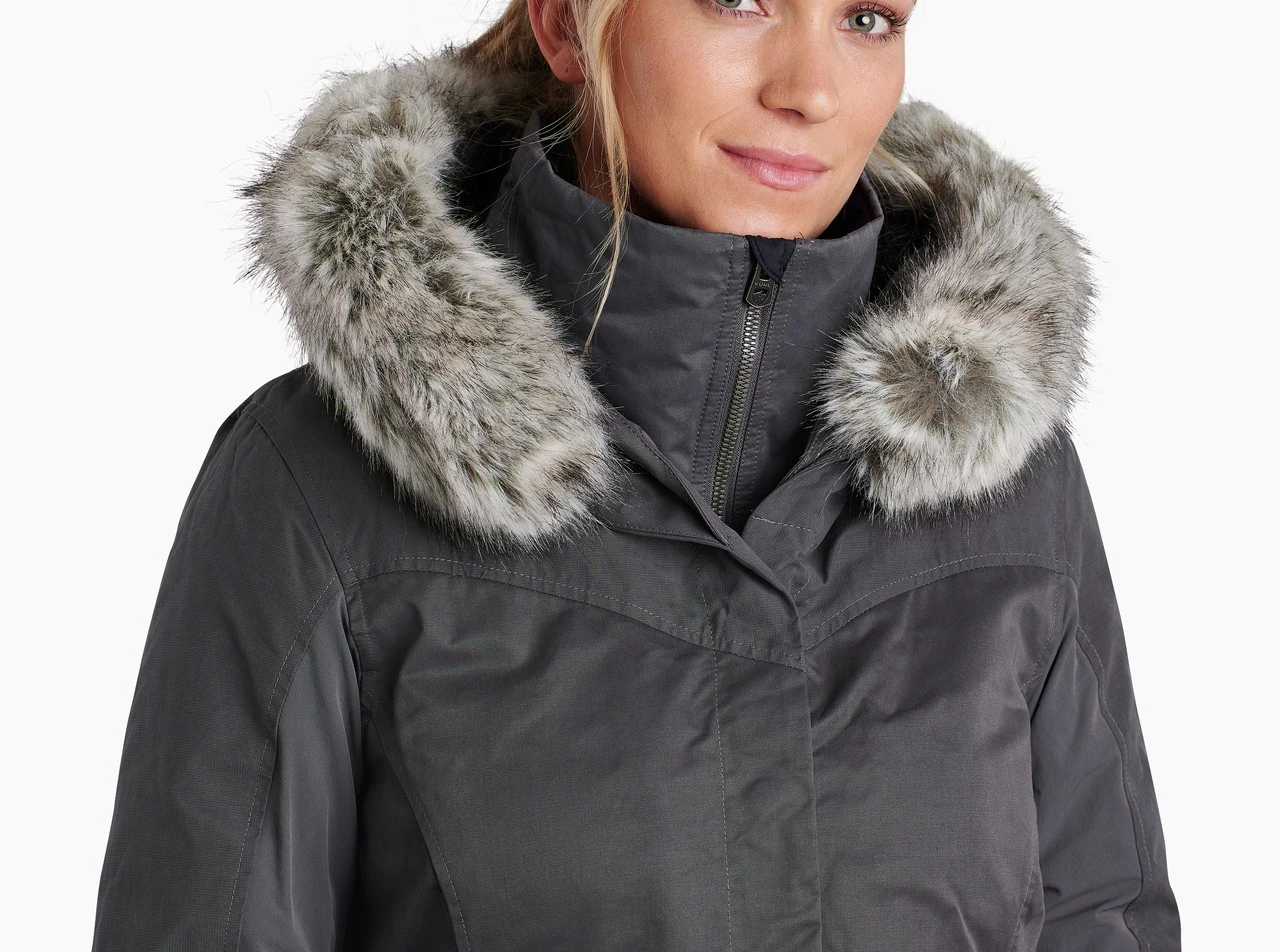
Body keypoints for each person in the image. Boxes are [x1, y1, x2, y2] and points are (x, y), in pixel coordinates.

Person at [90, 0, 1182, 949]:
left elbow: (1102, 915)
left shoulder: (1002, 480)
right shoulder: (317, 488)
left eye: (868, 19)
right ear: (567, 24)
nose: (810, 89)